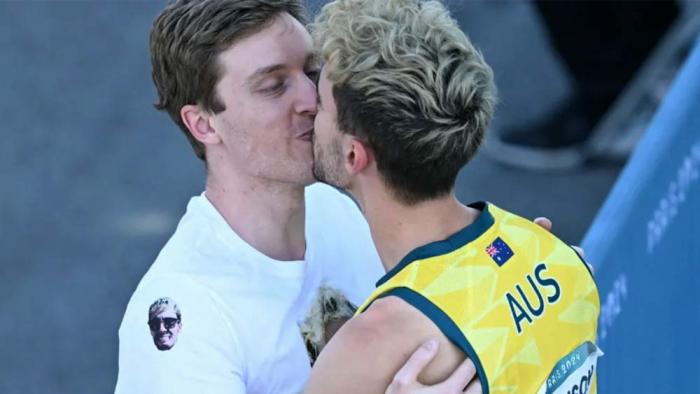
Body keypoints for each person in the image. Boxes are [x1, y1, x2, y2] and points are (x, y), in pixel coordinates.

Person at [115, 1, 479, 392]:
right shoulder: (186, 313)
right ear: (203, 124)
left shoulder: (340, 206)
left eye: (312, 71)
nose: (313, 100)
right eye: (274, 86)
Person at [305, 0, 601, 393]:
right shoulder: (551, 252)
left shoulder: (373, 345)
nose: (306, 108)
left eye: (321, 103)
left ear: (354, 155)